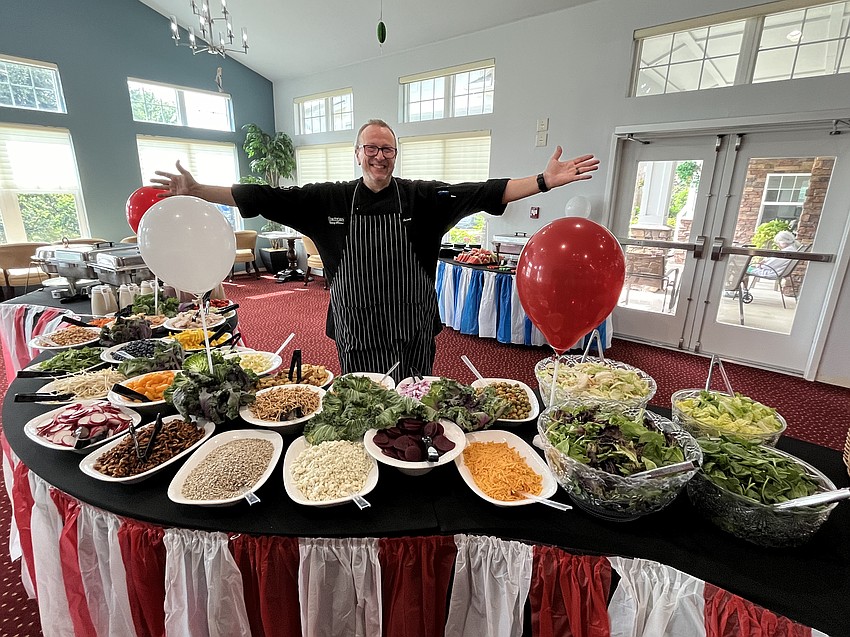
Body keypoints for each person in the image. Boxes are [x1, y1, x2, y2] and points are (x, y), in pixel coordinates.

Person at [152, 118, 599, 381]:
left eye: (387, 148)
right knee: (363, 399)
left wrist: (544, 182)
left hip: (412, 325)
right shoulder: (328, 199)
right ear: (357, 153)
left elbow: (484, 190)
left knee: (415, 398)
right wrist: (199, 191)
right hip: (357, 326)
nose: (379, 155)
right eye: (371, 147)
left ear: (395, 154)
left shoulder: (423, 198)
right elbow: (267, 196)